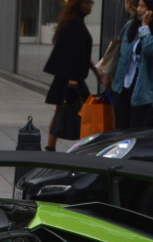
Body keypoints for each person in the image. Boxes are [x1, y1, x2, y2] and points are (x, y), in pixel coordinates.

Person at [42, 0, 101, 150]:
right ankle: (80, 148)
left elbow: (79, 52)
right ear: (79, 4)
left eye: (92, 3)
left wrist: (95, 71)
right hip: (70, 77)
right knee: (80, 111)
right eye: (88, 3)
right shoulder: (74, 23)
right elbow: (70, 53)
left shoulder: (75, 22)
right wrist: (72, 79)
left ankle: (51, 148)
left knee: (61, 111)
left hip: (69, 76)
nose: (91, 6)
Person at [112, 0, 153, 129]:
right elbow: (121, 52)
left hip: (143, 89)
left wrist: (145, 27)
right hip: (123, 85)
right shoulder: (130, 25)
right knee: (121, 128)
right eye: (138, 5)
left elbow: (151, 48)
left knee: (137, 129)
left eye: (143, 6)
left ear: (152, 9)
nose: (138, 9)